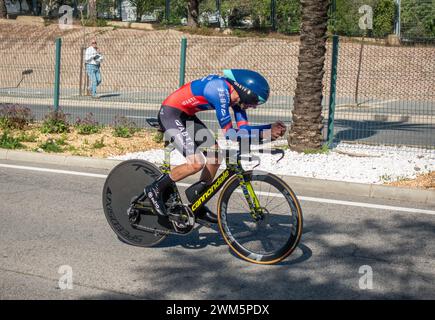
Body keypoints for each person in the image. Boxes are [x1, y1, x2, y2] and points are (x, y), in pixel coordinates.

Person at [146, 69, 286, 223]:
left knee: (216, 155)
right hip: (171, 114)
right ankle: (155, 189)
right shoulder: (219, 90)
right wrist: (265, 131)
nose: (252, 107)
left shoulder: (237, 98)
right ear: (245, 92)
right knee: (196, 162)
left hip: (186, 116)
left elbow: (244, 131)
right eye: (253, 102)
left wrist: (266, 132)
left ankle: (197, 202)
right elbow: (230, 134)